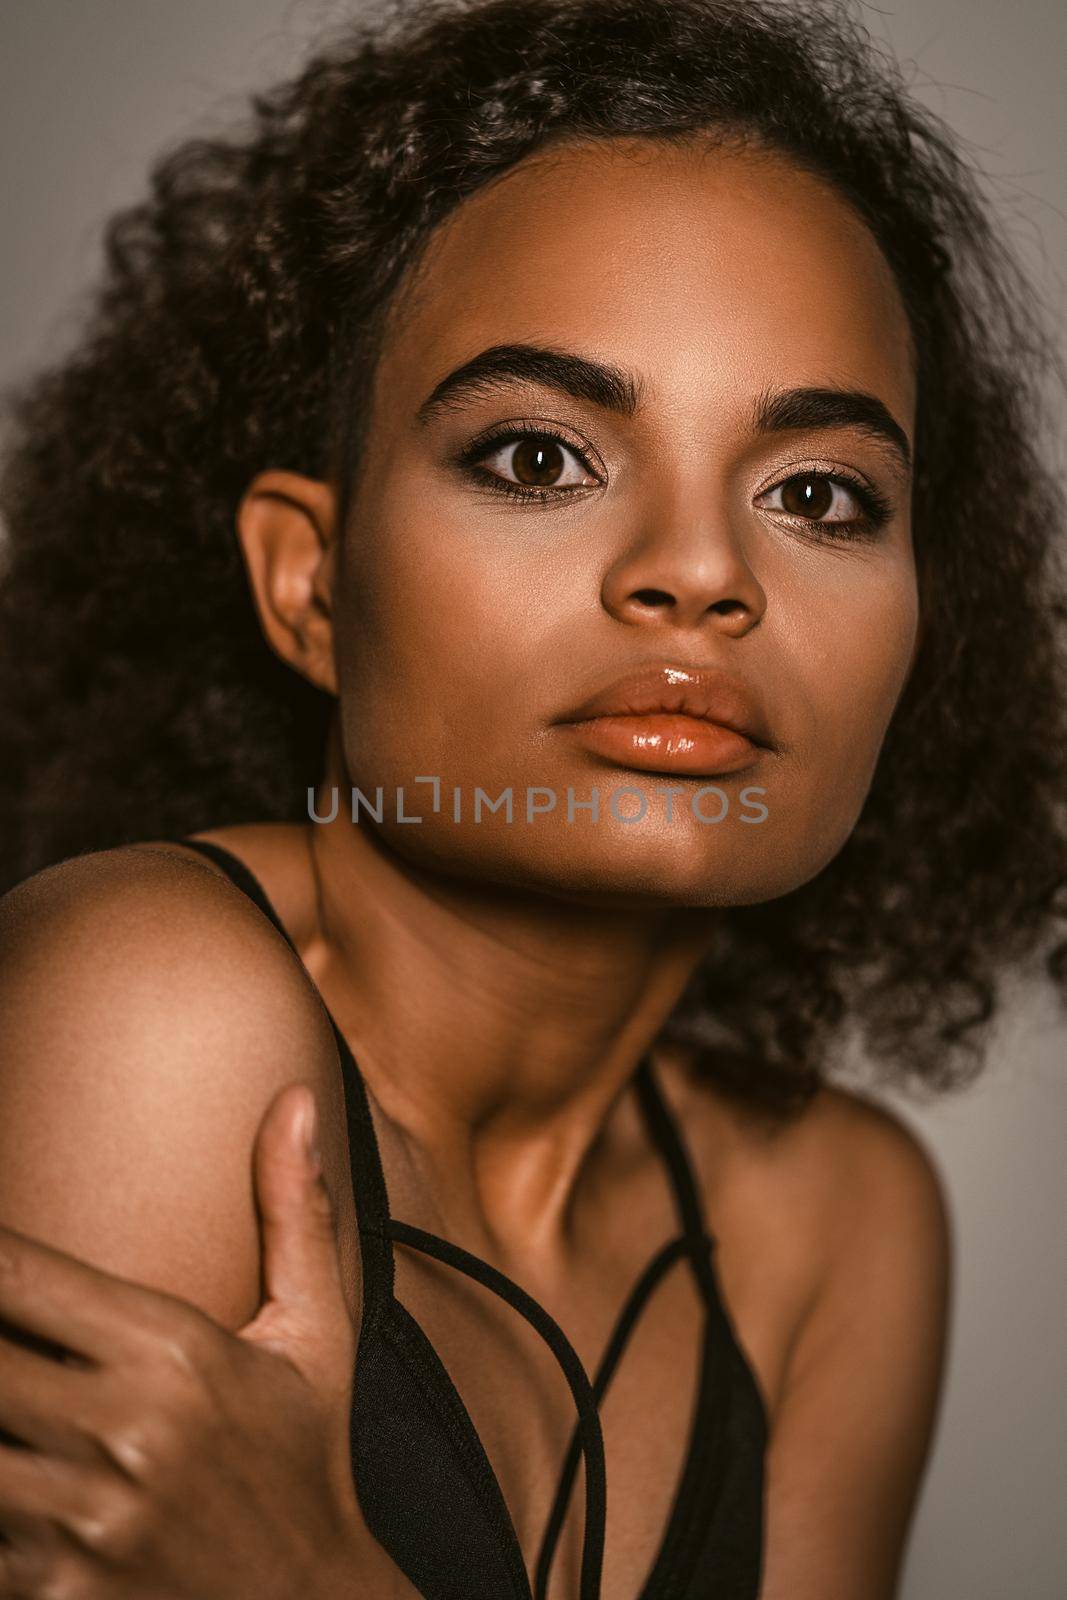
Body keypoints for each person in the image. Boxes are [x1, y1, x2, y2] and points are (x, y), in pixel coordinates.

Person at [0, 0, 1064, 1595]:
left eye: (818, 494)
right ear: (308, 585)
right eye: (537, 459)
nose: (700, 575)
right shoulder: (144, 1008)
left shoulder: (836, 1222)